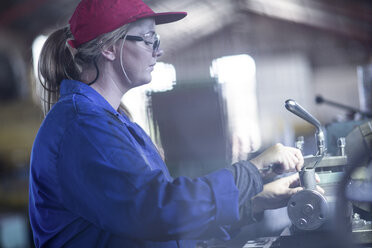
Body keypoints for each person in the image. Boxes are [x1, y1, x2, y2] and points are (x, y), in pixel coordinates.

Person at [29, 0, 308, 247]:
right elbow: (159, 212)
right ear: (109, 48)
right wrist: (253, 171)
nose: (157, 51)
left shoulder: (114, 121)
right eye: (150, 39)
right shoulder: (83, 127)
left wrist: (253, 201)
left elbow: (170, 222)